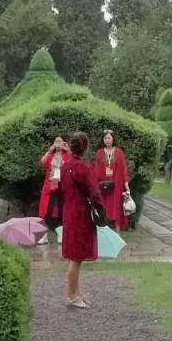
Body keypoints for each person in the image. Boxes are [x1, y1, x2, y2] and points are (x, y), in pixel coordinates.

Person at [60, 131, 102, 308]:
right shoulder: (83, 168)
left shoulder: (64, 167)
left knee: (73, 256)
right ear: (85, 147)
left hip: (69, 211)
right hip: (81, 214)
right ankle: (72, 296)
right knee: (76, 258)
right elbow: (93, 191)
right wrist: (100, 206)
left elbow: (63, 188)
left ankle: (76, 292)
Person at [95, 129, 130, 232]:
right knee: (104, 209)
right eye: (105, 138)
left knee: (116, 209)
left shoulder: (119, 152)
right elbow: (96, 169)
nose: (107, 140)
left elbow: (123, 169)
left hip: (116, 186)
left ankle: (117, 232)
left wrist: (126, 185)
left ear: (113, 139)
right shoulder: (100, 153)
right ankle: (104, 233)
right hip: (103, 186)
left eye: (109, 138)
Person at [38, 136, 68, 227]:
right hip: (51, 182)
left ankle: (61, 223)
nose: (58, 144)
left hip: (63, 183)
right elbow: (42, 162)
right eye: (56, 141)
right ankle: (48, 221)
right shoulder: (51, 155)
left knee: (62, 203)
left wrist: (68, 149)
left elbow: (74, 161)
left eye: (60, 142)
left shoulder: (66, 155)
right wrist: (49, 150)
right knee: (49, 204)